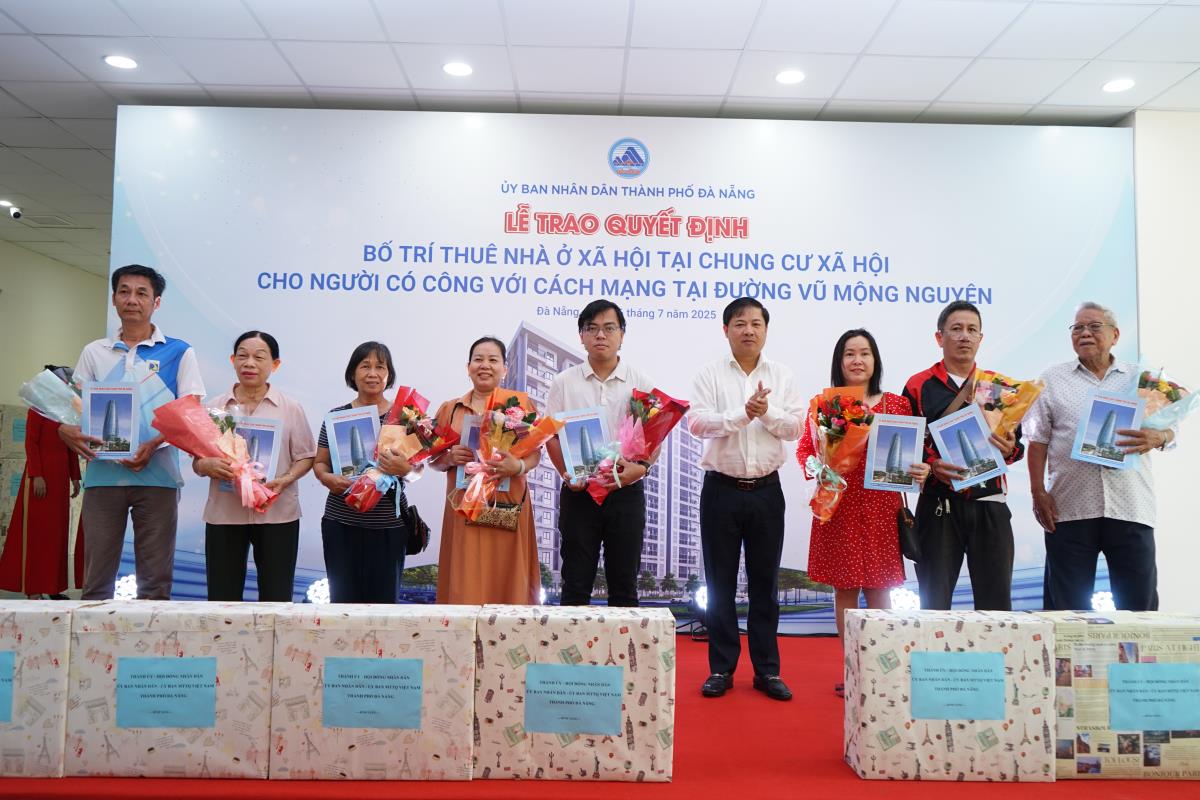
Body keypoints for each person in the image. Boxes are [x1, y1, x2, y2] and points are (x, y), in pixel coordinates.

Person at [57, 264, 206, 600]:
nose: (132, 300)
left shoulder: (179, 351)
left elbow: (190, 413)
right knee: (96, 580)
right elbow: (74, 408)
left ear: (156, 302)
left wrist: (154, 445)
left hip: (159, 476)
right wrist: (65, 430)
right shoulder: (94, 352)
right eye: (124, 291)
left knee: (155, 582)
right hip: (102, 476)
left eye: (142, 293)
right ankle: (94, 635)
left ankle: (151, 636)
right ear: (114, 299)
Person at [795, 330, 929, 694]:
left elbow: (915, 452)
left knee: (880, 589)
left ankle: (879, 671)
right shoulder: (825, 405)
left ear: (875, 360)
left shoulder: (898, 405)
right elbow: (805, 450)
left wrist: (920, 468)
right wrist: (820, 467)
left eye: (865, 353)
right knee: (845, 589)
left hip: (882, 508)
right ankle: (854, 670)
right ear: (839, 362)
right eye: (850, 354)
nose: (857, 360)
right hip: (839, 505)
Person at [1025, 302, 1176, 611]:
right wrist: (1038, 492)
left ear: (1115, 335)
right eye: (1078, 328)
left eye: (1094, 326)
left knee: (1139, 609)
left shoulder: (1141, 379)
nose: (1085, 333)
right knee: (1066, 611)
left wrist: (1158, 437)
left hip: (1130, 506)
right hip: (1069, 508)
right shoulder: (1052, 379)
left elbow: (1172, 428)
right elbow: (1037, 441)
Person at [689, 297, 804, 702]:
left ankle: (767, 671)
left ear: (766, 330)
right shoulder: (709, 374)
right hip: (720, 490)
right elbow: (697, 423)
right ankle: (721, 669)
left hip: (767, 492)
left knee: (765, 585)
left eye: (756, 323)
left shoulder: (782, 375)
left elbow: (795, 428)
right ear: (726, 330)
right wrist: (743, 413)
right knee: (719, 585)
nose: (749, 330)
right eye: (740, 323)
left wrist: (765, 411)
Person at [902, 300, 1023, 611]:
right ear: (939, 337)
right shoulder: (918, 385)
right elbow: (907, 445)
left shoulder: (998, 387)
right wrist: (931, 465)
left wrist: (1009, 448)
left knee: (996, 606)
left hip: (990, 504)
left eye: (972, 330)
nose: (964, 336)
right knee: (933, 603)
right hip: (938, 505)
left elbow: (1017, 447)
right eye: (956, 329)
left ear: (981, 338)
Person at [546, 299, 655, 607]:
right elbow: (551, 437)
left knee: (624, 586)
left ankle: (623, 642)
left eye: (609, 328)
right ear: (581, 336)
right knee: (575, 584)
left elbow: (653, 435)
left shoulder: (640, 382)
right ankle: (571, 641)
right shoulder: (564, 383)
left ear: (622, 334)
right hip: (580, 492)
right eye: (591, 328)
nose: (600, 335)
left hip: (625, 491)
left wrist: (642, 468)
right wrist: (566, 474)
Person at [192, 331, 315, 602]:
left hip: (277, 514)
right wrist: (206, 465)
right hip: (225, 513)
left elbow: (306, 456)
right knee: (222, 597)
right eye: (243, 356)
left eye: (259, 357)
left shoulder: (290, 408)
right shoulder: (214, 408)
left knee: (277, 596)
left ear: (275, 364)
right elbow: (197, 462)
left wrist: (286, 478)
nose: (250, 363)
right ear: (232, 360)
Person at [428, 336, 541, 604]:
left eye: (493, 360)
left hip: (507, 506)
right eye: (478, 359)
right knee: (465, 579)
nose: (485, 365)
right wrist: (449, 458)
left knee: (508, 580)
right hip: (464, 507)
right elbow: (431, 460)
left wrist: (518, 466)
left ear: (505, 369)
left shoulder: (521, 406)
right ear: (468, 367)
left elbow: (536, 453)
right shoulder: (450, 409)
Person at [312, 341, 411, 603]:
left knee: (383, 607)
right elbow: (319, 463)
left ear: (389, 374)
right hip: (341, 524)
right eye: (365, 366)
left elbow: (417, 469)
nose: (373, 373)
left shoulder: (405, 417)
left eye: (380, 367)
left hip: (388, 526)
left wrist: (406, 469)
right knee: (342, 604)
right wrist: (326, 478)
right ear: (353, 373)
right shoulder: (337, 416)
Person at [0, 367, 83, 597]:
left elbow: (71, 446)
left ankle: (52, 587)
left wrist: (75, 476)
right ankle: (33, 589)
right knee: (38, 534)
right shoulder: (36, 411)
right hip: (41, 479)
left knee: (56, 536)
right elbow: (31, 443)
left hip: (60, 480)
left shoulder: (63, 412)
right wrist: (36, 475)